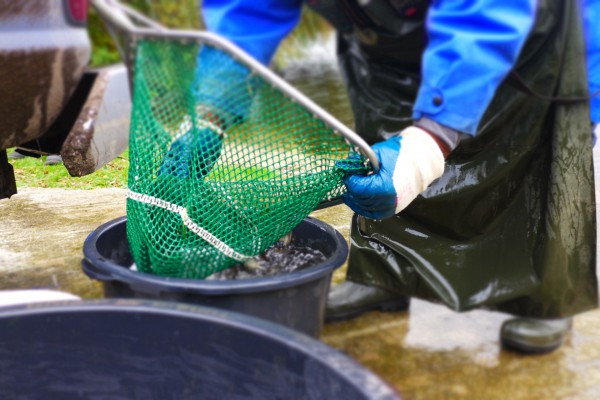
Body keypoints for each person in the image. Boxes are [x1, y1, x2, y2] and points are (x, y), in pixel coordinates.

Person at [199, 0, 599, 353]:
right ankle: (387, 273)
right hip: (389, 39)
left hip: (524, 26)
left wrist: (428, 145)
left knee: (539, 150)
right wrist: (211, 109)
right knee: (381, 144)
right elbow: (246, 9)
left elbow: (484, 15)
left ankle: (546, 292)